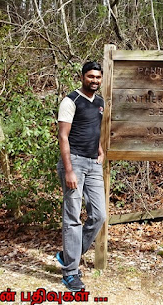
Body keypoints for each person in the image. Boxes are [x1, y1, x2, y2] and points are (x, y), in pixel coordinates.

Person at [55, 61, 106, 291]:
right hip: (74, 161)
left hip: (93, 164)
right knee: (72, 217)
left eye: (97, 77)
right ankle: (71, 272)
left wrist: (100, 149)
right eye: (90, 76)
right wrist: (69, 170)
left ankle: (69, 254)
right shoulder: (70, 101)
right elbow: (63, 136)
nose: (94, 80)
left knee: (99, 215)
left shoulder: (100, 102)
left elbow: (94, 128)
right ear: (82, 77)